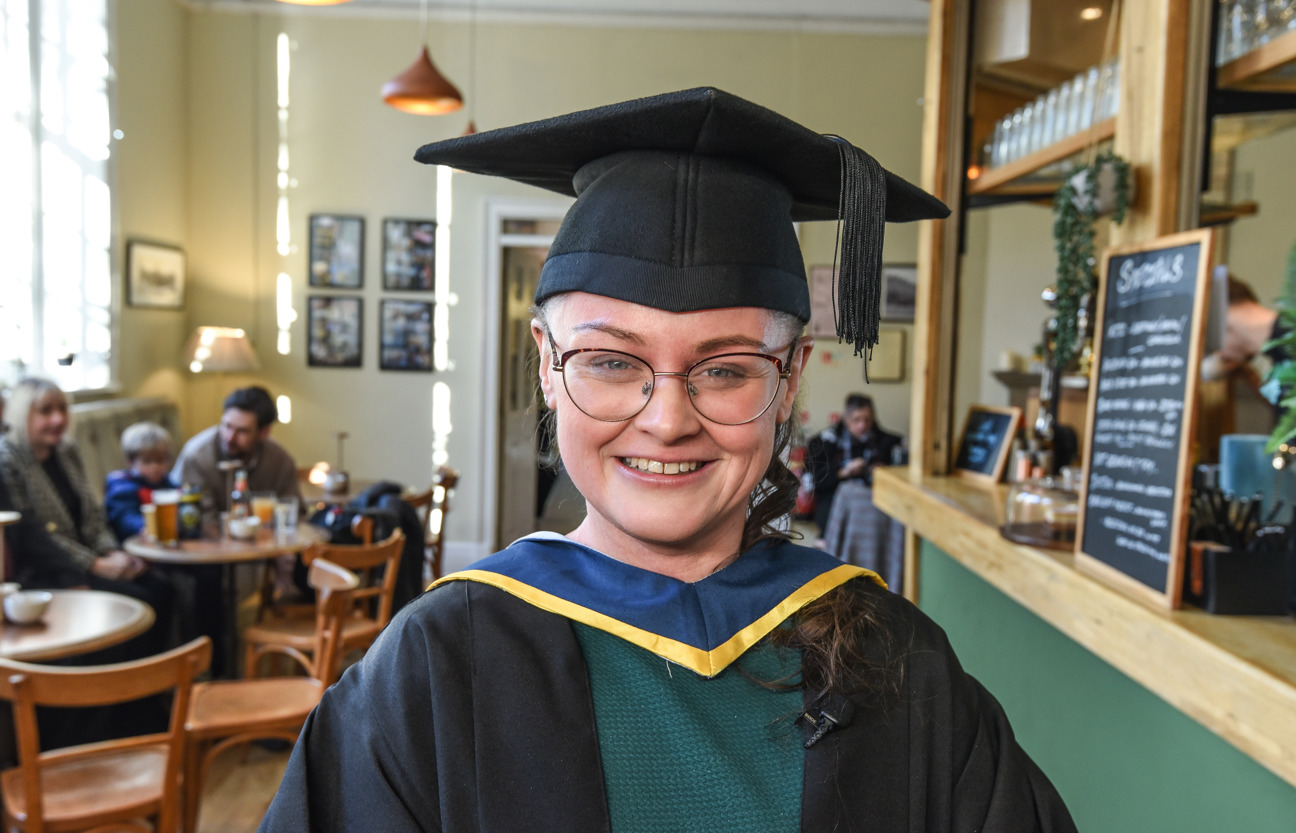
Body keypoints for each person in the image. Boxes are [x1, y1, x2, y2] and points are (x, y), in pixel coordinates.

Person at [260, 87, 1075, 832]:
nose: (667, 420)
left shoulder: (898, 662)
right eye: (612, 362)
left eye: (725, 369)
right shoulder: (436, 665)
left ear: (789, 379)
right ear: (546, 363)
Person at [0, 378, 175, 656]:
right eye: (45, 411)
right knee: (139, 601)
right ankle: (124, 692)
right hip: (50, 569)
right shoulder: (8, 460)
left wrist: (112, 553)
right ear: (23, 415)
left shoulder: (67, 451)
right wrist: (94, 565)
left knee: (163, 589)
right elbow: (33, 535)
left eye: (62, 409)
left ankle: (152, 686)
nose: (58, 419)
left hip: (93, 556)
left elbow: (93, 513)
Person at [172, 385, 301, 525]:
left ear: (264, 433)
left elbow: (295, 514)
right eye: (227, 426)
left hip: (266, 543)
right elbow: (200, 521)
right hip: (209, 544)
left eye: (242, 431)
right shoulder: (197, 456)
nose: (229, 438)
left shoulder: (280, 461)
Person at [806, 394, 901, 536]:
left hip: (873, 502)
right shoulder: (823, 442)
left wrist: (882, 471)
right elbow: (814, 481)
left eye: (867, 420)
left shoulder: (889, 443)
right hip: (835, 501)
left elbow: (898, 474)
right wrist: (843, 472)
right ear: (845, 418)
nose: (862, 426)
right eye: (856, 420)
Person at [104, 421, 174, 543]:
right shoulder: (122, 487)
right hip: (132, 544)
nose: (155, 467)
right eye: (147, 461)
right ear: (131, 461)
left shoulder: (167, 483)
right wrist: (143, 526)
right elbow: (124, 517)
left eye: (160, 460)